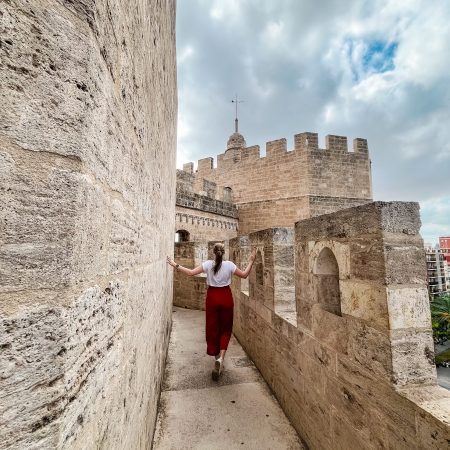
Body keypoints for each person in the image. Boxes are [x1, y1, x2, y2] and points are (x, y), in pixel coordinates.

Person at [167, 243, 256, 381]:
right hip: (226, 297)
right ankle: (221, 359)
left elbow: (191, 273)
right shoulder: (230, 265)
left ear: (213, 253)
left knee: (213, 328)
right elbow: (244, 275)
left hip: (212, 298)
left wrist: (175, 264)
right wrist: (251, 261)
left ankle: (217, 358)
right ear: (223, 252)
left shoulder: (208, 265)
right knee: (226, 329)